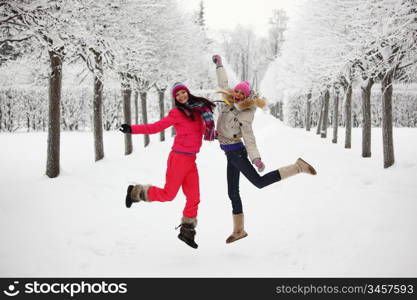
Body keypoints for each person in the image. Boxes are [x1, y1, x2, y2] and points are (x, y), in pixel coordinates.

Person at [212, 55, 317, 244]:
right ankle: (239, 231)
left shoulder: (246, 113)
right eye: (236, 92)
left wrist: (256, 159)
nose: (237, 95)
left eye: (241, 94)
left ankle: (297, 167)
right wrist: (219, 64)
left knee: (258, 183)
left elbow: (249, 137)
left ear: (247, 97)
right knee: (232, 193)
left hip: (237, 153)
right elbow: (223, 82)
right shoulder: (227, 98)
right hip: (229, 154)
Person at [119, 82, 215, 249]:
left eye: (183, 92)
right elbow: (155, 127)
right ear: (175, 99)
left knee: (194, 197)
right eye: (177, 95)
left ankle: (187, 232)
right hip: (178, 159)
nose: (181, 96)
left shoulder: (199, 111)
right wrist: (132, 129)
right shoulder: (177, 113)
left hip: (191, 160)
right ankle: (135, 192)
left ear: (188, 92)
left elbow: (207, 133)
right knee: (168, 195)